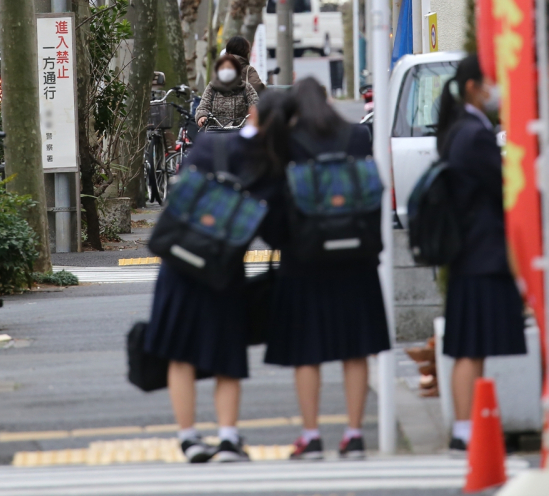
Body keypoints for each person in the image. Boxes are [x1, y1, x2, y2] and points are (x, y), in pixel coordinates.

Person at [145, 91, 293, 463]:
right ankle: (228, 438)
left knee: (181, 353)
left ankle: (189, 438)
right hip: (225, 269)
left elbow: (180, 193)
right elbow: (276, 232)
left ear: (254, 115)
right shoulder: (271, 165)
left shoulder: (209, 146)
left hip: (180, 261)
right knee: (227, 351)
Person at [264, 77, 391, 461]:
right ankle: (354, 435)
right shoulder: (356, 136)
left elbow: (273, 204)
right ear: (328, 100)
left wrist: (283, 245)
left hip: (304, 260)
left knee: (307, 351)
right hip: (356, 259)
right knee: (356, 349)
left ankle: (312, 436)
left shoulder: (288, 142)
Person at [436, 54, 526, 453]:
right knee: (471, 347)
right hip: (481, 252)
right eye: (490, 82)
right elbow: (504, 186)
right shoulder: (474, 134)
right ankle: (464, 430)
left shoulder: (461, 129)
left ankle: (466, 427)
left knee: (470, 346)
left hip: (469, 252)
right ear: (473, 86)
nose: (495, 91)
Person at [195, 54, 259, 128]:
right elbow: (203, 106)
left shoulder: (246, 87)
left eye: (229, 68)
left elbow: (256, 104)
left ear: (237, 70)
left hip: (239, 132)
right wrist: (202, 116)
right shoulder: (212, 87)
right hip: (216, 133)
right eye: (222, 68)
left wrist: (254, 114)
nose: (226, 71)